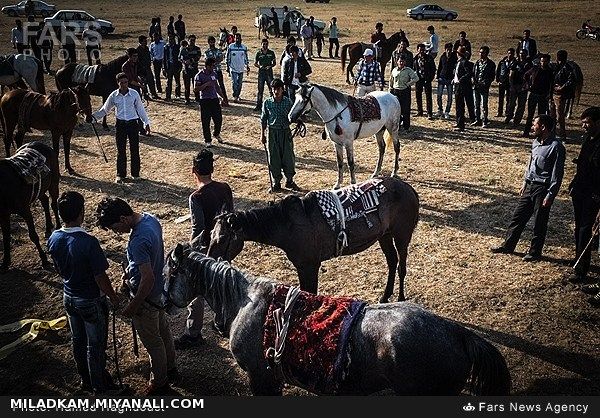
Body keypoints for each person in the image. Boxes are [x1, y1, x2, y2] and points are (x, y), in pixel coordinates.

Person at [95, 197, 178, 396]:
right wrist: (131, 272)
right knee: (163, 330)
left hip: (146, 298)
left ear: (123, 218)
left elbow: (147, 279)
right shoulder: (151, 219)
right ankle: (171, 367)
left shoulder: (138, 240)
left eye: (114, 228)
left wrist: (134, 305)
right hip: (159, 292)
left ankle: (160, 383)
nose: (116, 232)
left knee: (153, 342)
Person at [47, 191, 123, 396]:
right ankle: (100, 387)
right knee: (95, 346)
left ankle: (85, 380)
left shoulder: (53, 237)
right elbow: (100, 277)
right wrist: (114, 298)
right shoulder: (88, 241)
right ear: (81, 212)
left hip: (68, 297)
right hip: (90, 299)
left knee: (78, 342)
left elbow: (58, 267)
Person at [174, 150, 234, 349]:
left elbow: (198, 228)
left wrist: (191, 251)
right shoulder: (225, 188)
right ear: (212, 169)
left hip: (206, 249)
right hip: (224, 245)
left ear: (193, 171)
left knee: (196, 292)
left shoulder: (196, 197)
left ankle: (193, 332)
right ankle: (222, 321)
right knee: (221, 285)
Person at [491, 114, 565, 261]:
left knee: (539, 222)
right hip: (530, 185)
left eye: (534, 124)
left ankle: (535, 252)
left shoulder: (556, 147)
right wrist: (525, 183)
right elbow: (530, 165)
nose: (532, 127)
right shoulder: (535, 143)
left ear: (543, 127)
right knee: (517, 217)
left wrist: (550, 195)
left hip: (542, 188)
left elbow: (557, 174)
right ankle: (508, 245)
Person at [92, 72, 150, 183]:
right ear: (118, 83)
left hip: (133, 124)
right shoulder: (114, 95)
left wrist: (146, 123)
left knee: (134, 149)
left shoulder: (134, 94)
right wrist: (93, 118)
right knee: (121, 150)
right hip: (120, 125)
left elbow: (140, 109)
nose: (124, 85)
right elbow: (105, 110)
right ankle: (121, 175)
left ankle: (135, 174)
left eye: (126, 82)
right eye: (122, 83)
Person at [568, 107, 600, 289]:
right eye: (583, 122)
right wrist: (573, 183)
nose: (584, 126)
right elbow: (582, 164)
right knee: (579, 226)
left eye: (587, 123)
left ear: (597, 122)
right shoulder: (587, 139)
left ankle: (581, 268)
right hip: (580, 191)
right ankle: (578, 257)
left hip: (594, 194)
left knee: (585, 229)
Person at [261, 78, 300, 192]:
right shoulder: (267, 103)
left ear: (283, 89)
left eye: (278, 89)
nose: (276, 91)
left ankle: (289, 180)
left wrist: (298, 121)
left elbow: (293, 116)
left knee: (288, 157)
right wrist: (262, 134)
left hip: (285, 132)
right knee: (274, 158)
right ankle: (276, 182)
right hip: (272, 132)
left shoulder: (288, 102)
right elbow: (263, 119)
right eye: (274, 89)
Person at [195, 57, 224, 147]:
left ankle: (216, 133)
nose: (213, 68)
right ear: (207, 66)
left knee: (218, 119)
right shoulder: (199, 75)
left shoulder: (214, 74)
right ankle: (208, 140)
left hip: (214, 99)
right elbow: (196, 89)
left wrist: (223, 97)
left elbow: (217, 86)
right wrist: (206, 84)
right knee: (206, 121)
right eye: (212, 66)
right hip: (205, 100)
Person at [522, 54, 553, 137]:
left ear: (548, 62)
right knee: (530, 115)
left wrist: (549, 94)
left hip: (543, 95)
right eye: (542, 61)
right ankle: (526, 132)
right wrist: (528, 85)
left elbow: (552, 84)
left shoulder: (550, 71)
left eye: (545, 61)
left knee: (541, 116)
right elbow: (526, 75)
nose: (543, 63)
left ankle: (539, 134)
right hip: (534, 94)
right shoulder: (535, 68)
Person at [551, 49, 576, 141]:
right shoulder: (557, 66)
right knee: (552, 115)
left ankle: (562, 135)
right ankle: (553, 133)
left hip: (559, 94)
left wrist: (561, 87)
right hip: (552, 93)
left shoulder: (567, 68)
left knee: (559, 116)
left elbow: (570, 80)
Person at [389, 56, 418, 132]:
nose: (401, 63)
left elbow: (416, 78)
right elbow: (391, 80)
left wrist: (408, 84)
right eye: (400, 61)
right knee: (396, 110)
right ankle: (397, 125)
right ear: (397, 62)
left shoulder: (408, 70)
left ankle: (406, 127)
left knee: (406, 109)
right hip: (395, 91)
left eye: (402, 61)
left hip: (405, 91)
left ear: (405, 62)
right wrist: (390, 88)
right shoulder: (394, 70)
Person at [505, 49, 532, 126]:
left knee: (521, 105)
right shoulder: (515, 63)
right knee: (511, 104)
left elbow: (531, 76)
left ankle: (516, 121)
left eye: (523, 54)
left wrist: (527, 86)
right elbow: (510, 75)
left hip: (523, 87)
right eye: (520, 53)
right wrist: (512, 86)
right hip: (515, 85)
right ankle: (509, 117)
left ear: (526, 55)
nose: (521, 55)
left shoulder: (529, 64)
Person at [471, 46, 496, 127]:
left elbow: (492, 77)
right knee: (476, 104)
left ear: (487, 53)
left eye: (483, 52)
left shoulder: (491, 64)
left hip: (484, 87)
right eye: (480, 52)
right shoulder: (477, 63)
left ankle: (484, 120)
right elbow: (473, 74)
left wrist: (485, 83)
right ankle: (477, 119)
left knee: (484, 105)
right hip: (476, 86)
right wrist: (473, 80)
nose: (481, 54)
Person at [452, 46, 475, 132]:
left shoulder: (464, 62)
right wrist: (454, 79)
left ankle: (461, 124)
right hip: (458, 85)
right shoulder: (458, 63)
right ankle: (458, 122)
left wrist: (460, 79)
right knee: (458, 105)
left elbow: (469, 73)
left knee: (460, 105)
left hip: (462, 86)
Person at [205, 35, 229, 106]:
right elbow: (207, 61)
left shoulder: (218, 50)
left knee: (221, 85)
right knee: (211, 86)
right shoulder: (206, 52)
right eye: (211, 42)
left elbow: (221, 58)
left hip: (218, 70)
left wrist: (212, 60)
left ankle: (225, 100)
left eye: (213, 42)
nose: (212, 43)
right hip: (210, 72)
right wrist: (215, 60)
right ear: (208, 43)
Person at [414, 43, 436, 119]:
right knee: (418, 96)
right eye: (420, 50)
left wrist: (430, 78)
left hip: (427, 79)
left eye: (423, 50)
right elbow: (414, 69)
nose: (422, 52)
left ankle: (429, 113)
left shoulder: (429, 58)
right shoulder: (415, 58)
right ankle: (420, 111)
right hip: (418, 79)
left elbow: (433, 69)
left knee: (428, 96)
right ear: (417, 50)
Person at [226, 32, 250, 103]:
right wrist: (227, 66)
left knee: (240, 83)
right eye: (236, 38)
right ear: (234, 38)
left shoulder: (244, 47)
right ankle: (235, 96)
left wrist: (247, 66)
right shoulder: (231, 47)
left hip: (241, 68)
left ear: (241, 39)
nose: (238, 39)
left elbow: (246, 58)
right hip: (233, 68)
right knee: (234, 83)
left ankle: (238, 95)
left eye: (239, 38)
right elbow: (227, 57)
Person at [436, 42, 457, 119]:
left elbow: (456, 69)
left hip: (450, 79)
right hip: (442, 78)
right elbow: (440, 67)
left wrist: (454, 78)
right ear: (445, 50)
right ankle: (440, 109)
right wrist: (438, 76)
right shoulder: (443, 57)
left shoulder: (454, 58)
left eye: (450, 49)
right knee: (439, 95)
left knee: (450, 97)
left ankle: (447, 111)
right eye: (447, 49)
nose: (449, 51)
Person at [254, 38, 276, 111]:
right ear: (261, 44)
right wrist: (260, 66)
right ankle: (258, 105)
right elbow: (255, 63)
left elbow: (274, 63)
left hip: (269, 73)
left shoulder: (271, 53)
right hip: (261, 73)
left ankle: (273, 104)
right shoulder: (258, 53)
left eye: (266, 44)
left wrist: (270, 66)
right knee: (260, 90)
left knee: (271, 89)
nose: (265, 45)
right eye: (264, 44)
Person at [180, 35, 201, 105]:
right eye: (191, 40)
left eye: (194, 40)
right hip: (186, 70)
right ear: (188, 40)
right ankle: (187, 98)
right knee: (187, 86)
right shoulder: (184, 49)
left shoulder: (197, 48)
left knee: (196, 84)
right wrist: (184, 61)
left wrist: (190, 60)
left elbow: (198, 57)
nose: (192, 42)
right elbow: (180, 57)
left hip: (194, 69)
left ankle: (197, 98)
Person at [495, 48, 516, 118]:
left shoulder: (515, 62)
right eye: (509, 53)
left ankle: (507, 112)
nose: (510, 55)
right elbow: (498, 71)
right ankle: (499, 112)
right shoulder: (502, 62)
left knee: (508, 99)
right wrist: (497, 79)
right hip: (502, 82)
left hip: (510, 83)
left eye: (512, 54)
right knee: (501, 98)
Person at [137, 35, 158, 99]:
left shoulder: (146, 48)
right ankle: (145, 95)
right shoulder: (138, 50)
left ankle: (154, 94)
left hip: (148, 68)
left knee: (151, 81)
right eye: (144, 41)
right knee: (144, 82)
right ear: (141, 42)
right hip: (142, 69)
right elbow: (138, 61)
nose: (146, 42)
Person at [163, 34, 182, 101]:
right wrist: (164, 68)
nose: (170, 41)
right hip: (169, 67)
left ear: (174, 40)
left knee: (177, 82)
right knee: (168, 82)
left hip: (176, 66)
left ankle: (177, 95)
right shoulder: (166, 47)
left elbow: (180, 58)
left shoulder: (177, 47)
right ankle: (168, 96)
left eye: (172, 39)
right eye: (169, 39)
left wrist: (180, 67)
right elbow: (164, 58)